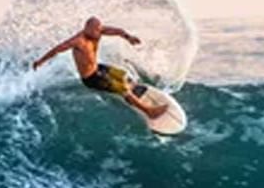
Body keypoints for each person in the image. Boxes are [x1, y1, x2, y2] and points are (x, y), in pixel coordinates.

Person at [32, 17, 168, 120]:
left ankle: (133, 92)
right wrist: (40, 61)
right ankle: (149, 111)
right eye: (96, 30)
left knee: (123, 75)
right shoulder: (78, 41)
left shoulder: (97, 31)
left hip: (98, 67)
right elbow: (57, 49)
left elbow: (116, 31)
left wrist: (128, 37)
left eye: (100, 30)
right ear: (87, 28)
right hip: (91, 78)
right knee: (123, 89)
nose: (100, 33)